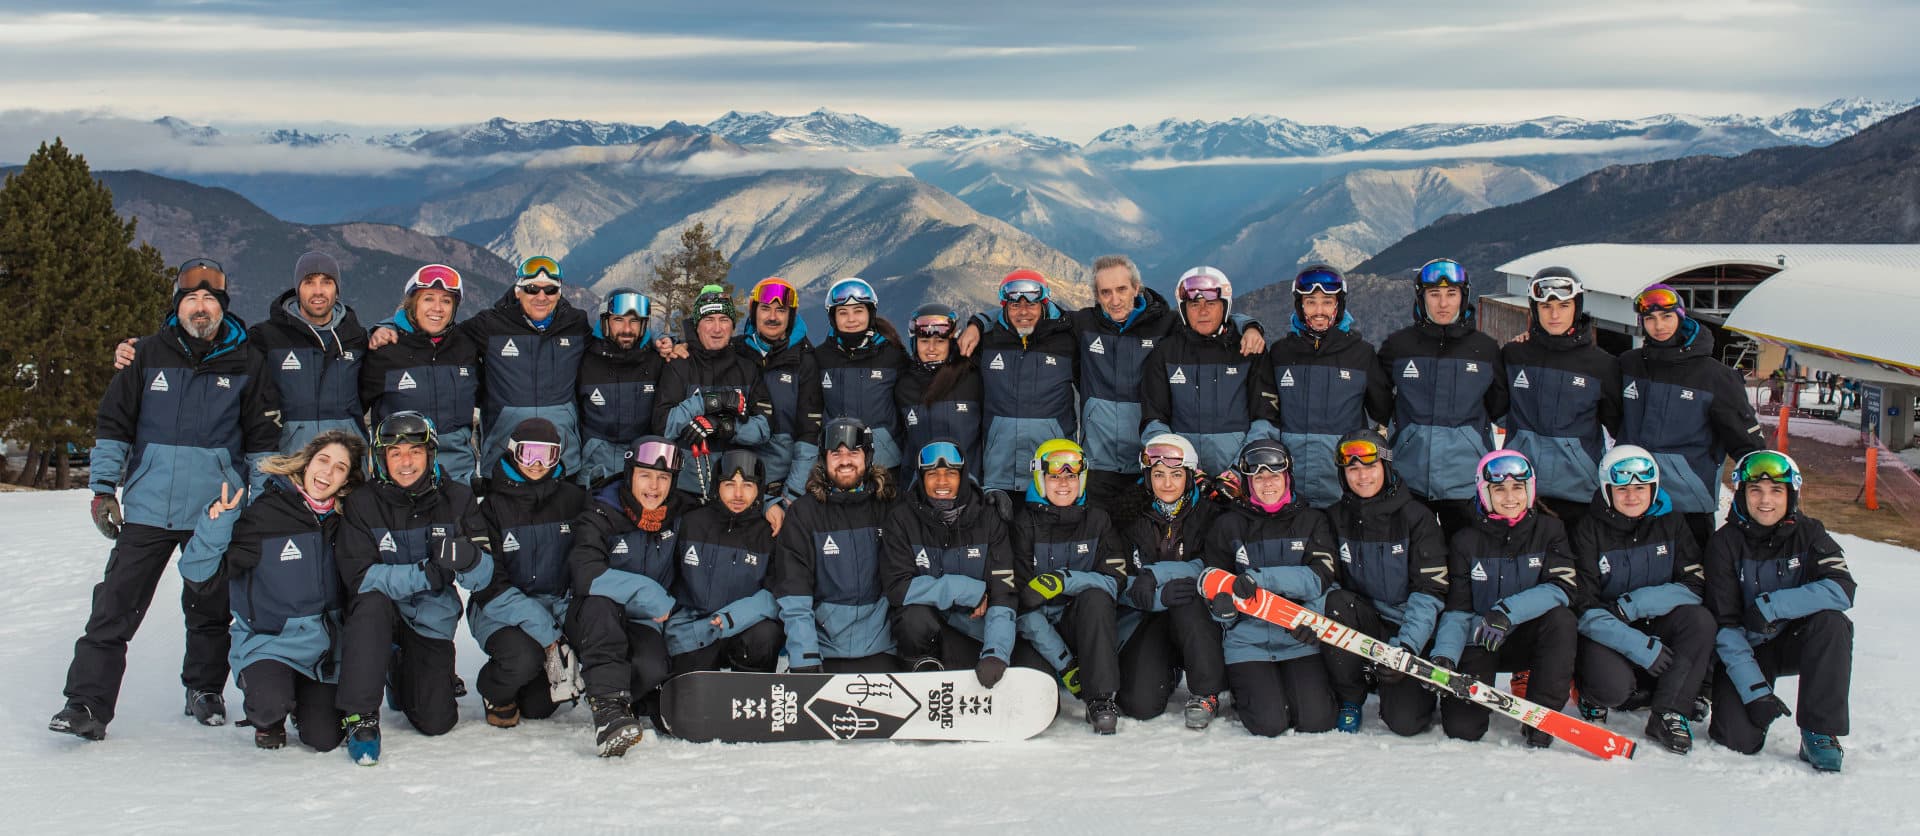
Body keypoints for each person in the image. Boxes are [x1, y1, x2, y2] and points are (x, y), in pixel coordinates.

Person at [52, 258, 280, 742]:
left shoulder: (246, 361)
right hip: (149, 508)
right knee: (114, 606)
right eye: (191, 299)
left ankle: (204, 689)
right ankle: (86, 704)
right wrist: (102, 490)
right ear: (178, 307)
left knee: (210, 607)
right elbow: (114, 424)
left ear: (223, 308)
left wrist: (257, 506)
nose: (201, 307)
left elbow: (262, 441)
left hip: (214, 509)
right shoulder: (146, 355)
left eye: (210, 299)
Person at [333, 412, 494, 765]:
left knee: (437, 721)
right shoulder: (362, 502)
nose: (406, 462)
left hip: (429, 618)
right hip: (379, 617)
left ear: (430, 454)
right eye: (395, 453)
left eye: (415, 452)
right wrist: (426, 574)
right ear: (381, 458)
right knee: (371, 603)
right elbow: (361, 577)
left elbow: (483, 579)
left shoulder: (458, 498)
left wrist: (470, 560)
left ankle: (398, 673)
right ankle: (361, 716)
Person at [200, 430, 363, 750]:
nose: (328, 472)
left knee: (325, 738)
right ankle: (269, 716)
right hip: (270, 642)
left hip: (322, 651)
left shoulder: (347, 519)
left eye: (340, 467)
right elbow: (201, 577)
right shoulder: (266, 513)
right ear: (306, 463)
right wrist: (216, 526)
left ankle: (303, 703)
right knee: (269, 704)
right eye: (323, 460)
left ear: (346, 481)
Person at [1705, 451, 1855, 772]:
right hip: (1748, 648)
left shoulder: (1810, 532)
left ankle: (1819, 732)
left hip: (1795, 640)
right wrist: (1755, 693)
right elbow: (1724, 626)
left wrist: (1772, 606)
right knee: (1736, 739)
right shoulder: (1723, 543)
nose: (1765, 501)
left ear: (1791, 494)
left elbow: (1842, 589)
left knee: (1832, 622)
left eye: (1776, 491)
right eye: (1755, 490)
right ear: (1741, 494)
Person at [1570, 445, 1714, 755]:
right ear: (1607, 490)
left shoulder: (1672, 522)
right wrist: (1638, 645)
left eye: (1640, 488)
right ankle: (1591, 693)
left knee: (1699, 621)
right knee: (1613, 689)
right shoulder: (1588, 529)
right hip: (1608, 630)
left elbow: (1694, 584)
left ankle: (1669, 712)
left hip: (1654, 620)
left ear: (1653, 488)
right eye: (1622, 489)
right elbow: (1583, 606)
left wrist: (1632, 605)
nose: (1632, 496)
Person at [1430, 450, 1579, 747]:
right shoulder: (1464, 540)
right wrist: (1445, 654)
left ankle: (1542, 715)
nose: (1510, 497)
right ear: (1484, 492)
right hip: (1482, 639)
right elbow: (1458, 609)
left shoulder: (1550, 530)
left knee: (1562, 620)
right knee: (1463, 728)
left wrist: (1506, 612)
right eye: (1499, 489)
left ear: (1530, 490)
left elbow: (1562, 587)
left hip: (1528, 638)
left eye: (1518, 488)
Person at [1200, 439, 1340, 737]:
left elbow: (1319, 578)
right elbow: (1215, 584)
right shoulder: (1228, 525)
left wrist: (1309, 617)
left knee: (1317, 721)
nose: (1267, 484)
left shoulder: (1312, 520)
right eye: (1258, 477)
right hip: (1247, 642)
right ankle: (1248, 692)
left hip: (1297, 635)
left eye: (1274, 475)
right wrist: (1223, 612)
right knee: (1269, 724)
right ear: (1247, 482)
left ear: (1287, 477)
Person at [1318, 429, 1448, 736]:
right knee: (1335, 602)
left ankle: (1394, 680)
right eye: (1352, 469)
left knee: (1406, 722)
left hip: (1407, 628)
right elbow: (1326, 580)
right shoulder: (1334, 517)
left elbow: (1430, 591)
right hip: (1363, 620)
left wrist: (1406, 646)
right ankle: (1351, 695)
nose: (1362, 476)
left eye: (1370, 466)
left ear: (1386, 467)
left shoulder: (1417, 518)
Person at [1618, 284, 1766, 549]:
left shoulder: (1716, 377)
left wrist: (1762, 500)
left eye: (1666, 316)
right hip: (1630, 499)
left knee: (1692, 573)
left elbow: (1749, 447)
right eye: (1650, 319)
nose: (1658, 326)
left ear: (1681, 317)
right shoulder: (1629, 365)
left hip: (1688, 507)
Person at [568, 436, 687, 757]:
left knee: (652, 667)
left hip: (644, 621)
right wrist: (648, 591)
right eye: (645, 475)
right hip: (593, 617)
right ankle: (608, 713)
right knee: (601, 605)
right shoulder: (600, 511)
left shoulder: (678, 513)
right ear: (630, 474)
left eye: (663, 477)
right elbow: (586, 573)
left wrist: (770, 506)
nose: (654, 486)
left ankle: (623, 696)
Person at [467, 419, 588, 728]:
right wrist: (551, 636)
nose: (537, 464)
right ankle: (495, 691)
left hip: (554, 606)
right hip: (499, 610)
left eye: (547, 456)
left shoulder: (574, 501)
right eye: (529, 454)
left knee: (538, 707)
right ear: (513, 452)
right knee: (523, 659)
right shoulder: (490, 507)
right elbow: (488, 585)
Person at [1376, 259, 1507, 537]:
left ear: (1464, 296)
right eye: (1434, 294)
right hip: (1408, 477)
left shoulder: (1485, 350)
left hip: (1465, 481)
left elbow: (1499, 407)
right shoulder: (1398, 347)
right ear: (1421, 298)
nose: (1443, 303)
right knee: (1410, 553)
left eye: (1451, 294)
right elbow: (1377, 400)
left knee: (1465, 553)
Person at [1010, 439, 1129, 734]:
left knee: (1096, 597)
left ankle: (1100, 698)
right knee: (1039, 703)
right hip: (1037, 632)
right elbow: (1020, 603)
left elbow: (1115, 580)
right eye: (1054, 476)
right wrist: (1065, 663)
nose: (1063, 484)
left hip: (1081, 625)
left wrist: (1062, 580)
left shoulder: (1098, 520)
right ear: (1040, 479)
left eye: (1071, 476)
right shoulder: (1023, 525)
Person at [881, 439, 1018, 684]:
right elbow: (897, 588)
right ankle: (921, 676)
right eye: (932, 474)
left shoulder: (989, 517)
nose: (942, 482)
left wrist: (996, 652)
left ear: (962, 476)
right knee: (912, 617)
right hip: (928, 630)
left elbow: (1003, 592)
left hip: (975, 630)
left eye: (951, 473)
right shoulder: (902, 519)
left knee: (1013, 667)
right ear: (921, 477)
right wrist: (967, 590)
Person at [1114, 434, 1225, 729]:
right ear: (1147, 477)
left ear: (1189, 477)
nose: (1167, 483)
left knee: (1187, 599)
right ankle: (1168, 668)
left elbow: (1212, 565)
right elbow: (1116, 577)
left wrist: (1157, 574)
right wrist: (1153, 597)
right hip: (1147, 615)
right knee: (1139, 705)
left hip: (1196, 614)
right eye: (1158, 474)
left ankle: (1206, 692)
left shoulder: (1210, 514)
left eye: (1176, 475)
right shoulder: (1126, 515)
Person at [1500, 268, 1622, 534]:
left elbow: (1618, 428)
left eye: (1564, 306)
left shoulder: (1602, 365)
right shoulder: (1514, 355)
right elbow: (1495, 410)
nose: (1554, 315)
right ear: (1534, 309)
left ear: (1577, 307)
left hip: (1579, 494)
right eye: (1546, 307)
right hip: (1520, 491)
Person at [773, 418, 900, 673]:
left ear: (867, 456)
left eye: (853, 453)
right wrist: (806, 655)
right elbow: (794, 589)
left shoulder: (891, 507)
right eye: (836, 454)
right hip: (824, 648)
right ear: (823, 458)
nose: (844, 461)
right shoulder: (804, 513)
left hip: (882, 645)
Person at [1267, 266, 1392, 509]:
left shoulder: (1361, 354)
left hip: (1342, 484)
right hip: (1291, 485)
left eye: (1327, 302)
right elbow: (1266, 411)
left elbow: (1383, 412)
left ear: (1338, 305)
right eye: (1310, 302)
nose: (1319, 311)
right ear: (1300, 306)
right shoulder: (1281, 353)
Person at [1140, 266, 1280, 477]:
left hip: (1240, 477)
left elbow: (1266, 420)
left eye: (1211, 303)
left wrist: (1240, 470)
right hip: (1182, 478)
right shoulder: (1165, 353)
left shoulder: (1249, 350)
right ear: (1184, 309)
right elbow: (1153, 420)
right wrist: (1181, 468)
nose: (1203, 311)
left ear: (1225, 306)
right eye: (1194, 304)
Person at [461, 256, 591, 475]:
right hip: (504, 455)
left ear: (559, 293)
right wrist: (396, 331)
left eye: (550, 290)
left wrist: (653, 343)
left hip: (563, 457)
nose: (541, 297)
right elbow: (444, 338)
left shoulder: (576, 325)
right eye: (532, 289)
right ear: (517, 291)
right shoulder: (490, 325)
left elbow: (609, 343)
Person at [358, 264, 483, 484]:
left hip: (458, 478)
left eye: (446, 301)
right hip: (401, 477)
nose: (437, 308)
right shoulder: (386, 350)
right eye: (428, 299)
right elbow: (354, 407)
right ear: (412, 303)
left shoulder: (466, 347)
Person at [664, 451, 783, 675]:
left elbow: (779, 591)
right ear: (716, 486)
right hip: (695, 629)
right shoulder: (690, 523)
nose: (738, 494)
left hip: (744, 625)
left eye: (747, 485)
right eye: (729, 484)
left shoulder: (770, 532)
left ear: (759, 489)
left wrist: (735, 616)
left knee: (765, 635)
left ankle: (752, 693)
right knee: (695, 691)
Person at [653, 285, 774, 504]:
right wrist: (707, 403)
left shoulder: (747, 368)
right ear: (697, 326)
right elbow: (663, 427)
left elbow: (764, 429)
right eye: (709, 319)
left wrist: (724, 426)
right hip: (686, 488)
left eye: (724, 319)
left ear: (733, 326)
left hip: (736, 486)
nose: (717, 329)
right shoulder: (679, 365)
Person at [969, 270, 1080, 493]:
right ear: (1004, 306)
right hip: (998, 472)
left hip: (1054, 473)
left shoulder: (1068, 339)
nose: (1023, 312)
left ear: (1044, 304)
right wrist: (978, 322)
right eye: (1014, 305)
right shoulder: (987, 342)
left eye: (1031, 304)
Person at [735, 277, 822, 506]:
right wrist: (673, 344)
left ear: (790, 315)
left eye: (781, 310)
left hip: (780, 484)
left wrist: (791, 494)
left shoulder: (805, 361)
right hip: (734, 481)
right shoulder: (736, 351)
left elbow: (809, 434)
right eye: (765, 308)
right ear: (753, 311)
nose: (772, 317)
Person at [814, 278, 908, 473]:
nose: (851, 319)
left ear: (870, 313)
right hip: (839, 465)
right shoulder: (820, 358)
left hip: (886, 465)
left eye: (858, 311)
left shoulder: (892, 356)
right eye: (843, 312)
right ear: (833, 317)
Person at [578, 288, 667, 487]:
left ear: (643, 324)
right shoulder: (584, 359)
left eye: (634, 321)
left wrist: (670, 341)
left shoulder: (657, 361)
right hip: (594, 464)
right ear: (605, 321)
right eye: (618, 320)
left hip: (642, 462)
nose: (627, 329)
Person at [896, 303, 983, 482]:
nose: (931, 348)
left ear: (952, 343)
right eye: (924, 341)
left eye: (940, 341)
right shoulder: (903, 384)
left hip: (968, 486)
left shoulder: (973, 377)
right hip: (919, 487)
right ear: (914, 343)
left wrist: (978, 324)